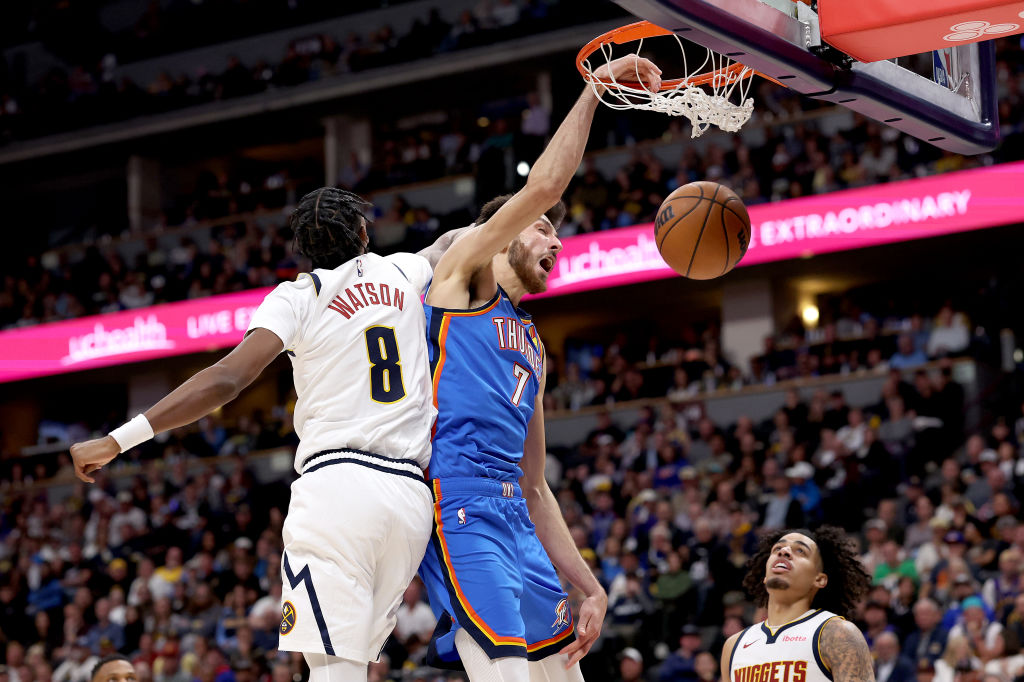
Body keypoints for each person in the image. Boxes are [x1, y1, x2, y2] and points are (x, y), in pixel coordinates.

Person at [69, 187, 460, 682]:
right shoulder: (405, 270)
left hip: (339, 490)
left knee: (335, 669)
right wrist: (537, 209)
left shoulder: (299, 295)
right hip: (409, 497)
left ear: (303, 251)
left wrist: (116, 440)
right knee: (358, 665)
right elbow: (461, 240)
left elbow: (226, 380)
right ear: (364, 233)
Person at [417, 54, 663, 681]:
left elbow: (535, 484)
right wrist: (593, 92)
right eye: (544, 231)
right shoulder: (461, 281)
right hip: (458, 504)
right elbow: (545, 187)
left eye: (557, 237)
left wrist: (589, 585)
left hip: (516, 518)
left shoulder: (533, 345)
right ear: (502, 235)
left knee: (564, 675)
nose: (556, 243)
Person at [720, 527, 874, 682]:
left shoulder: (837, 634)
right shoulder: (734, 645)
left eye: (800, 551)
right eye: (777, 549)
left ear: (819, 579)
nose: (784, 551)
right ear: (765, 577)